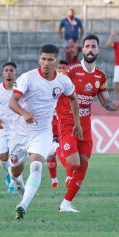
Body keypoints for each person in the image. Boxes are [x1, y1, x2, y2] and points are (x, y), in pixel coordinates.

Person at [8, 44, 82, 220]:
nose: (46, 63)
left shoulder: (63, 81)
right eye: (43, 59)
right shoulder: (28, 78)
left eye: (50, 59)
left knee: (35, 166)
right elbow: (12, 102)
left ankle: (22, 205)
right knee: (15, 171)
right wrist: (25, 114)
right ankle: (17, 182)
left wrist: (77, 123)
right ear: (39, 59)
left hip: (42, 132)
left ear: (57, 61)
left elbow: (74, 99)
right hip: (20, 132)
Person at [57, 34, 119, 212]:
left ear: (98, 50)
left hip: (85, 124)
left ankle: (66, 203)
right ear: (82, 49)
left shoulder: (100, 76)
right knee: (75, 163)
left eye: (94, 46)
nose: (90, 49)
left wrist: (116, 106)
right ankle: (56, 149)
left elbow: (106, 103)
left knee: (83, 163)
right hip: (68, 121)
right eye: (87, 46)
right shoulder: (69, 71)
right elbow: (53, 91)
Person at [0, 62, 24, 194]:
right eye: (6, 70)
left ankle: (14, 182)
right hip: (1, 128)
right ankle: (9, 175)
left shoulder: (20, 90)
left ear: (15, 73)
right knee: (3, 157)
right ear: (3, 73)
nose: (8, 72)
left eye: (11, 70)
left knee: (15, 157)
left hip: (17, 128)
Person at [46, 59, 69, 189]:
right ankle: (54, 180)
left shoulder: (70, 86)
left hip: (64, 125)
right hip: (50, 125)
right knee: (49, 155)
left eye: (63, 68)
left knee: (65, 151)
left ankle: (69, 175)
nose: (61, 70)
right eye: (59, 67)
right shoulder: (48, 84)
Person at [107, 31, 119, 96]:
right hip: (118, 65)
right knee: (116, 81)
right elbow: (108, 43)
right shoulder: (117, 44)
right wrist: (111, 35)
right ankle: (116, 98)